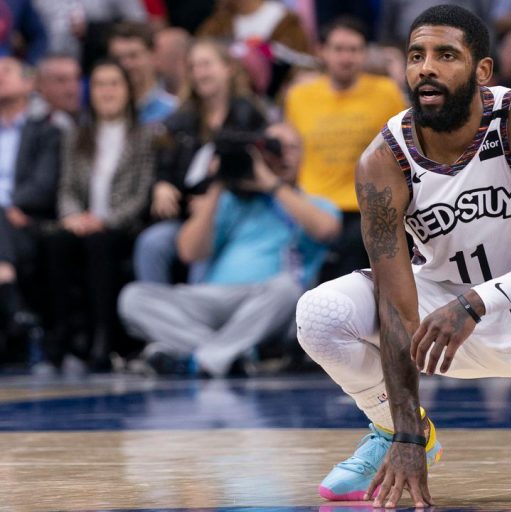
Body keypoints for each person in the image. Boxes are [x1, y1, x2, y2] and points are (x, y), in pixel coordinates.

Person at [296, 5, 511, 507]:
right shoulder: (383, 158)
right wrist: (407, 431)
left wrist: (476, 303)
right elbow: (393, 299)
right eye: (416, 55)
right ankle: (392, 432)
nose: (425, 67)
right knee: (319, 314)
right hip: (434, 322)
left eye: (445, 55)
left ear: (482, 70)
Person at [119, 122, 341, 378]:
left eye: (291, 148)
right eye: (275, 147)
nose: (284, 155)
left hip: (267, 303)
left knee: (288, 287)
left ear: (302, 157)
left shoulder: (315, 204)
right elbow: (189, 252)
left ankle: (192, 354)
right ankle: (230, 354)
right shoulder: (233, 201)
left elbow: (327, 231)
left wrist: (271, 183)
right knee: (132, 298)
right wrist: (218, 184)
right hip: (211, 299)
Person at [44, 59, 154, 369]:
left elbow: (140, 193)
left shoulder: (143, 136)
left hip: (120, 225)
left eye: (114, 84)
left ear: (127, 91)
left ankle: (103, 338)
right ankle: (62, 334)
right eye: (100, 85)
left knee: (99, 244)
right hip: (82, 221)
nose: (107, 91)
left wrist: (105, 221)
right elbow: (66, 187)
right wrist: (73, 217)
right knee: (57, 242)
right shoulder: (76, 136)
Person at [133, 38, 267, 284]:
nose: (199, 73)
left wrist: (215, 197)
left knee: (201, 255)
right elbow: (164, 159)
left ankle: (197, 316)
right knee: (151, 243)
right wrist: (161, 184)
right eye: (193, 67)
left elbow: (256, 172)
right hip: (186, 216)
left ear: (228, 68)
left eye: (206, 64)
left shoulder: (249, 114)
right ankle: (153, 315)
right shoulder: (183, 117)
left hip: (234, 215)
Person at [284, 16, 406, 282]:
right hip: (312, 204)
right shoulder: (299, 96)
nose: (346, 57)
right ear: (322, 51)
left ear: (364, 53)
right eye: (339, 49)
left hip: (364, 206)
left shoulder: (386, 92)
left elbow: (403, 148)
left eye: (354, 50)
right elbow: (289, 151)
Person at [0, 56, 61, 346]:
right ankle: (9, 292)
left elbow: (44, 184)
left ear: (30, 83)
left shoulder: (46, 131)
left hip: (24, 219)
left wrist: (13, 204)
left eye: (7, 71)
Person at [108, 22, 179, 125]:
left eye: (133, 56)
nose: (126, 64)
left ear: (153, 55)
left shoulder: (173, 109)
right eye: (117, 58)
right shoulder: (103, 112)